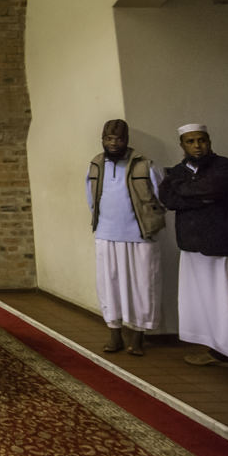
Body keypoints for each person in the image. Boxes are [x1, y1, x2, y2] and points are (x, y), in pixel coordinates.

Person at [158, 123, 228, 388]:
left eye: (201, 140)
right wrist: (197, 196)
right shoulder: (176, 171)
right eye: (190, 141)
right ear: (182, 145)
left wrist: (188, 192)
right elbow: (168, 199)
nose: (197, 145)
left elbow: (211, 190)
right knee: (209, 302)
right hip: (195, 247)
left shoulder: (225, 167)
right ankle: (220, 352)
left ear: (209, 141)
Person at [85, 119, 166, 356]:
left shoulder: (145, 165)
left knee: (143, 285)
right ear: (102, 139)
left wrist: (150, 223)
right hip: (106, 235)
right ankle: (115, 334)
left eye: (119, 139)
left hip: (140, 237)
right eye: (109, 138)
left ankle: (138, 337)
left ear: (127, 140)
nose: (113, 143)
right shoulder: (95, 165)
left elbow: (161, 197)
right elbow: (91, 200)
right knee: (109, 285)